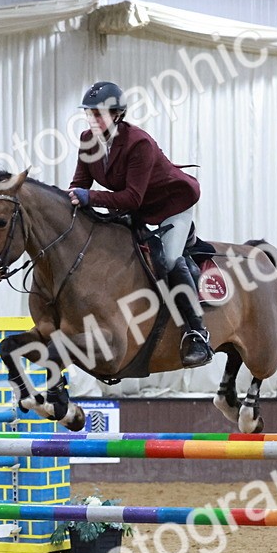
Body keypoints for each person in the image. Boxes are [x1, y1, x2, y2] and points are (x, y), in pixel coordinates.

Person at [68, 80, 214, 368]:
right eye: (89, 114)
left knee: (170, 259)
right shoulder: (88, 140)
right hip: (137, 206)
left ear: (117, 115)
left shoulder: (138, 143)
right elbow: (79, 185)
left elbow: (132, 198)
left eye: (98, 114)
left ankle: (197, 333)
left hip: (172, 204)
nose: (92, 120)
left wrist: (89, 197)